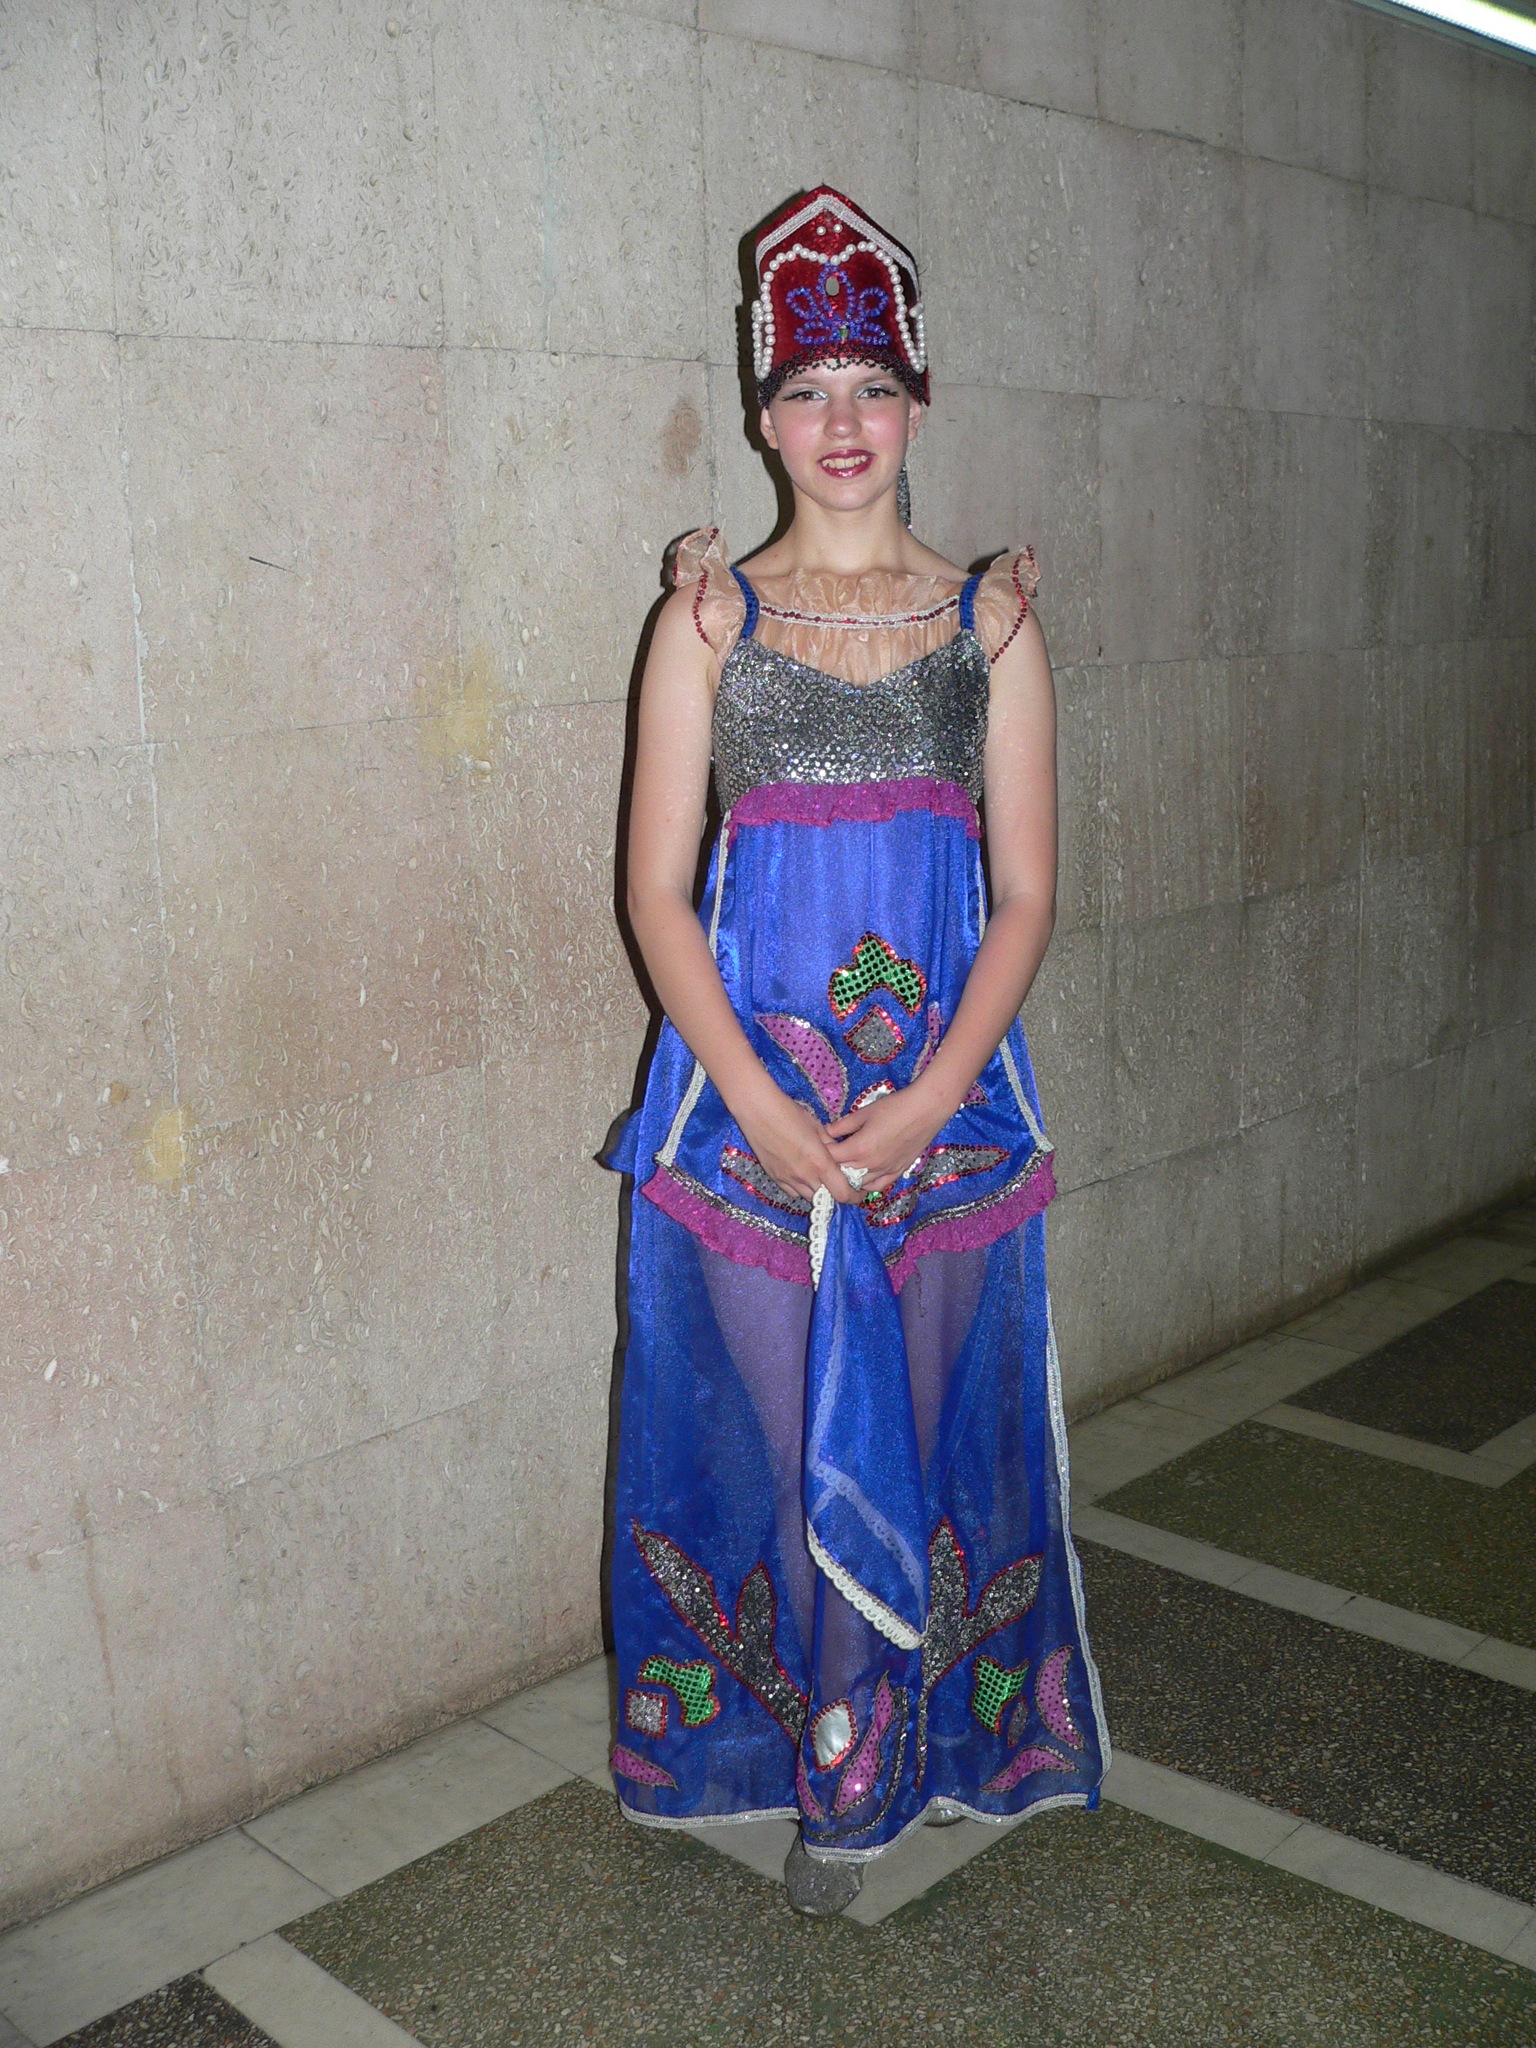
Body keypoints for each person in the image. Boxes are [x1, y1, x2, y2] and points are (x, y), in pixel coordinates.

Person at [606, 187, 1108, 1915]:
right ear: (762, 415)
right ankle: (835, 1776)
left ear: (917, 402)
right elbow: (655, 895)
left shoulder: (993, 625)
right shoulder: (707, 626)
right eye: (807, 389)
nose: (841, 422)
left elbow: (1028, 893)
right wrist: (756, 1099)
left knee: (927, 1439)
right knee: (788, 1449)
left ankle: (928, 1752)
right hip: (747, 1121)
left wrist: (939, 1093)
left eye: (872, 387)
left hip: (946, 1120)